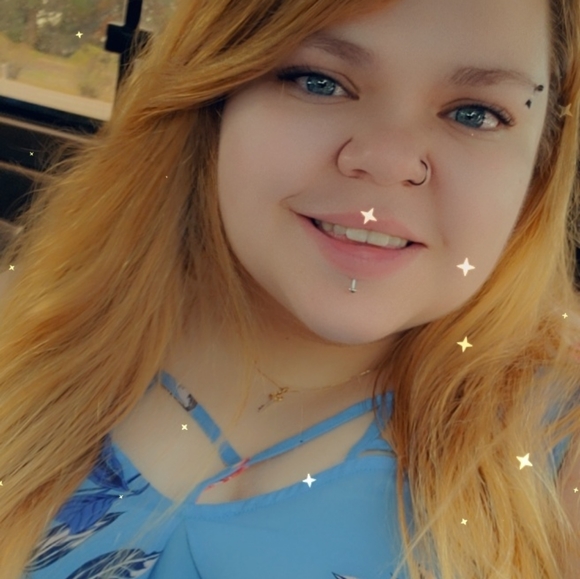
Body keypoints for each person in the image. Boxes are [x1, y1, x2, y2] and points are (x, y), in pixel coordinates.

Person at [0, 0, 579, 577]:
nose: (387, 160)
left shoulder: (558, 456)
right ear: (215, 97)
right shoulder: (26, 328)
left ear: (540, 165)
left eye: (475, 114)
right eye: (319, 82)